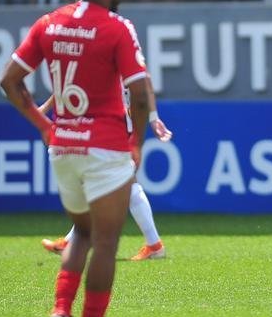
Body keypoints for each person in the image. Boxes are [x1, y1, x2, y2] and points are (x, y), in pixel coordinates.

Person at [0, 0, 152, 317]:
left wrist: (44, 125)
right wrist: (136, 143)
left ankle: (60, 311)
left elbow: (9, 81)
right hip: (105, 147)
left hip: (63, 145)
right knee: (106, 242)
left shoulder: (49, 23)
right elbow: (139, 94)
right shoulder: (118, 28)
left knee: (82, 233)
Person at [41, 81, 174, 261]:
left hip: (112, 125)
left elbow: (73, 81)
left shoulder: (107, 62)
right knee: (117, 183)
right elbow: (144, 83)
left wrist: (45, 108)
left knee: (108, 183)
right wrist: (153, 117)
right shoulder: (126, 63)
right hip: (110, 123)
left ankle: (154, 245)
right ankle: (154, 245)